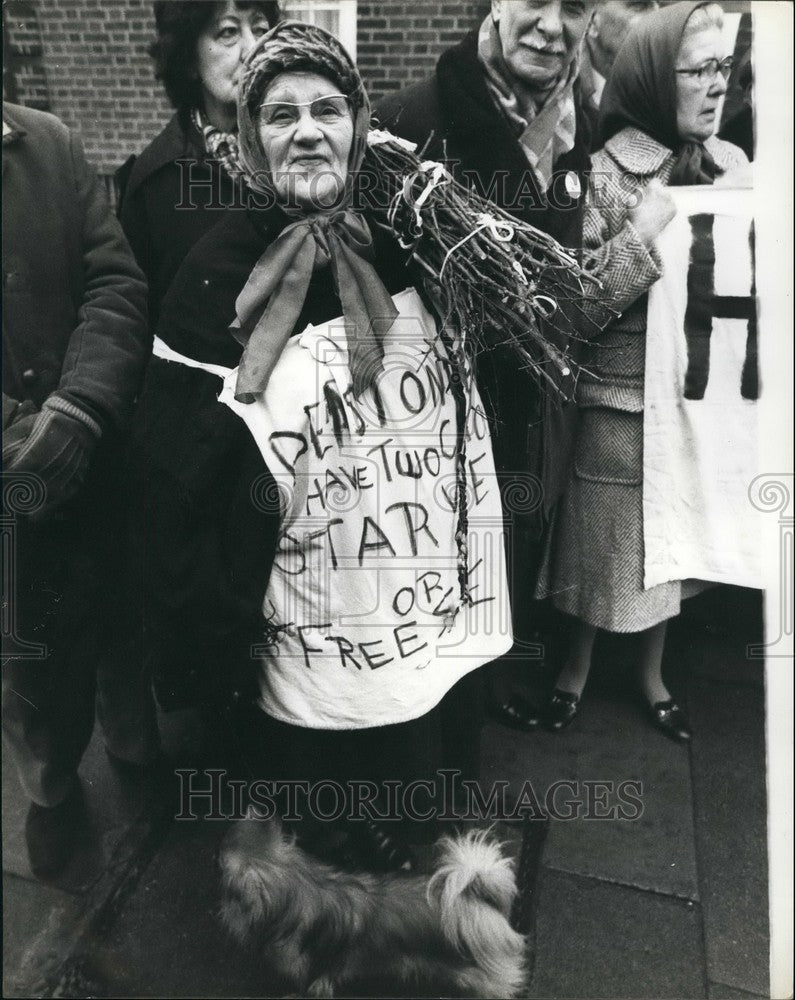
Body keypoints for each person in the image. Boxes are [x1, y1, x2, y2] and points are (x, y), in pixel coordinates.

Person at [129, 20, 521, 870]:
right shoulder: (212, 277)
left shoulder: (417, 246)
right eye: (279, 115)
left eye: (326, 109)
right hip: (306, 635)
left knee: (421, 827)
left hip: (416, 617)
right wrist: (214, 637)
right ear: (249, 137)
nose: (307, 129)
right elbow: (174, 487)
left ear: (356, 123)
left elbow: (472, 425)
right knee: (326, 852)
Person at [375, 0, 603, 731]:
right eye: (532, 1)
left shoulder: (576, 120)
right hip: (439, 402)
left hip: (524, 397)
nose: (549, 25)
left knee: (506, 536)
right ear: (498, 6)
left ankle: (488, 671)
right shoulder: (414, 118)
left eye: (572, 7)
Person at [536, 1, 749, 741]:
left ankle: (653, 673)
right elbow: (567, 312)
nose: (716, 84)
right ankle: (573, 670)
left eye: (723, 66)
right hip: (618, 408)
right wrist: (638, 237)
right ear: (657, 76)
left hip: (694, 406)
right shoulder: (598, 178)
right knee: (601, 554)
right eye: (698, 69)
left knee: (671, 554)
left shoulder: (733, 169)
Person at [2, 104, 151, 878]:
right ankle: (52, 790)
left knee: (121, 621)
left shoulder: (47, 143)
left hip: (94, 464)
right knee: (28, 663)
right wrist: (18, 441)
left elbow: (115, 281)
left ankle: (134, 744)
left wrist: (82, 405)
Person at [117, 0, 279, 331]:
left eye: (261, 29)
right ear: (189, 59)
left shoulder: (306, 146)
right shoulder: (155, 181)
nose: (253, 48)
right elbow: (145, 319)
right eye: (229, 32)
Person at [579, 1, 660, 125]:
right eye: (639, 6)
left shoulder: (676, 84)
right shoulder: (561, 95)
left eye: (659, 4)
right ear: (591, 22)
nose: (659, 16)